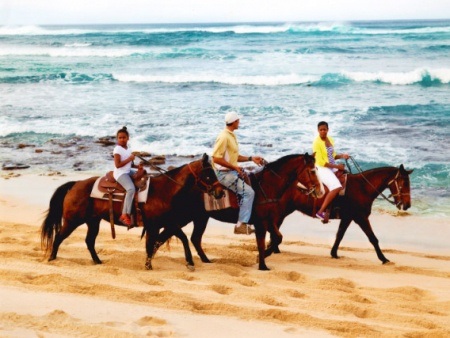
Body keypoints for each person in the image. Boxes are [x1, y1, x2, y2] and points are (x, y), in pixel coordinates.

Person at [212, 112, 264, 235]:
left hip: (231, 170)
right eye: (238, 121)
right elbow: (216, 158)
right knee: (249, 192)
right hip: (223, 174)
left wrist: (251, 158)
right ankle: (241, 224)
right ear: (234, 122)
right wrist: (234, 167)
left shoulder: (231, 135)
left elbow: (235, 157)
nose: (239, 122)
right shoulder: (224, 136)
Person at [312, 121, 350, 223]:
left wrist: (342, 156)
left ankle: (339, 207)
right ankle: (320, 212)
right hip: (322, 168)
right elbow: (321, 162)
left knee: (346, 178)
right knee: (336, 187)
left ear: (328, 130)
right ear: (318, 131)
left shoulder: (330, 140)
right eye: (321, 130)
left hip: (331, 166)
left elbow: (332, 156)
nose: (323, 131)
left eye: (325, 129)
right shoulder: (316, 143)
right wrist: (337, 166)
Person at [113, 126, 143, 228]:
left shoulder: (129, 149)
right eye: (120, 138)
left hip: (127, 170)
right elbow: (118, 165)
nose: (122, 139)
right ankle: (124, 214)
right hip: (120, 173)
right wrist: (130, 158)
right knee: (131, 189)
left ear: (128, 138)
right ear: (117, 139)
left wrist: (137, 166)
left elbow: (129, 164)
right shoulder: (117, 149)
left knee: (143, 176)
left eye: (124, 137)